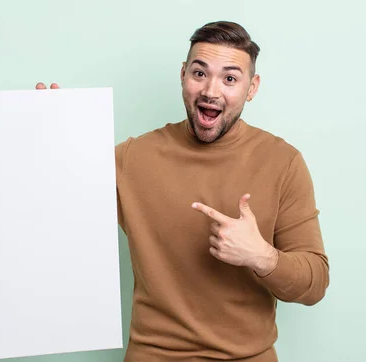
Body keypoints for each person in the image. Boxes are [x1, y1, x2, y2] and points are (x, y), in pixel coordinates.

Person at [36, 20, 329, 362]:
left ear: (252, 87)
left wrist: (259, 255)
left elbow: (314, 284)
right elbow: (52, 204)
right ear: (183, 75)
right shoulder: (132, 158)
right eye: (199, 73)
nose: (211, 91)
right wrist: (49, 128)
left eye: (230, 78)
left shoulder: (283, 162)